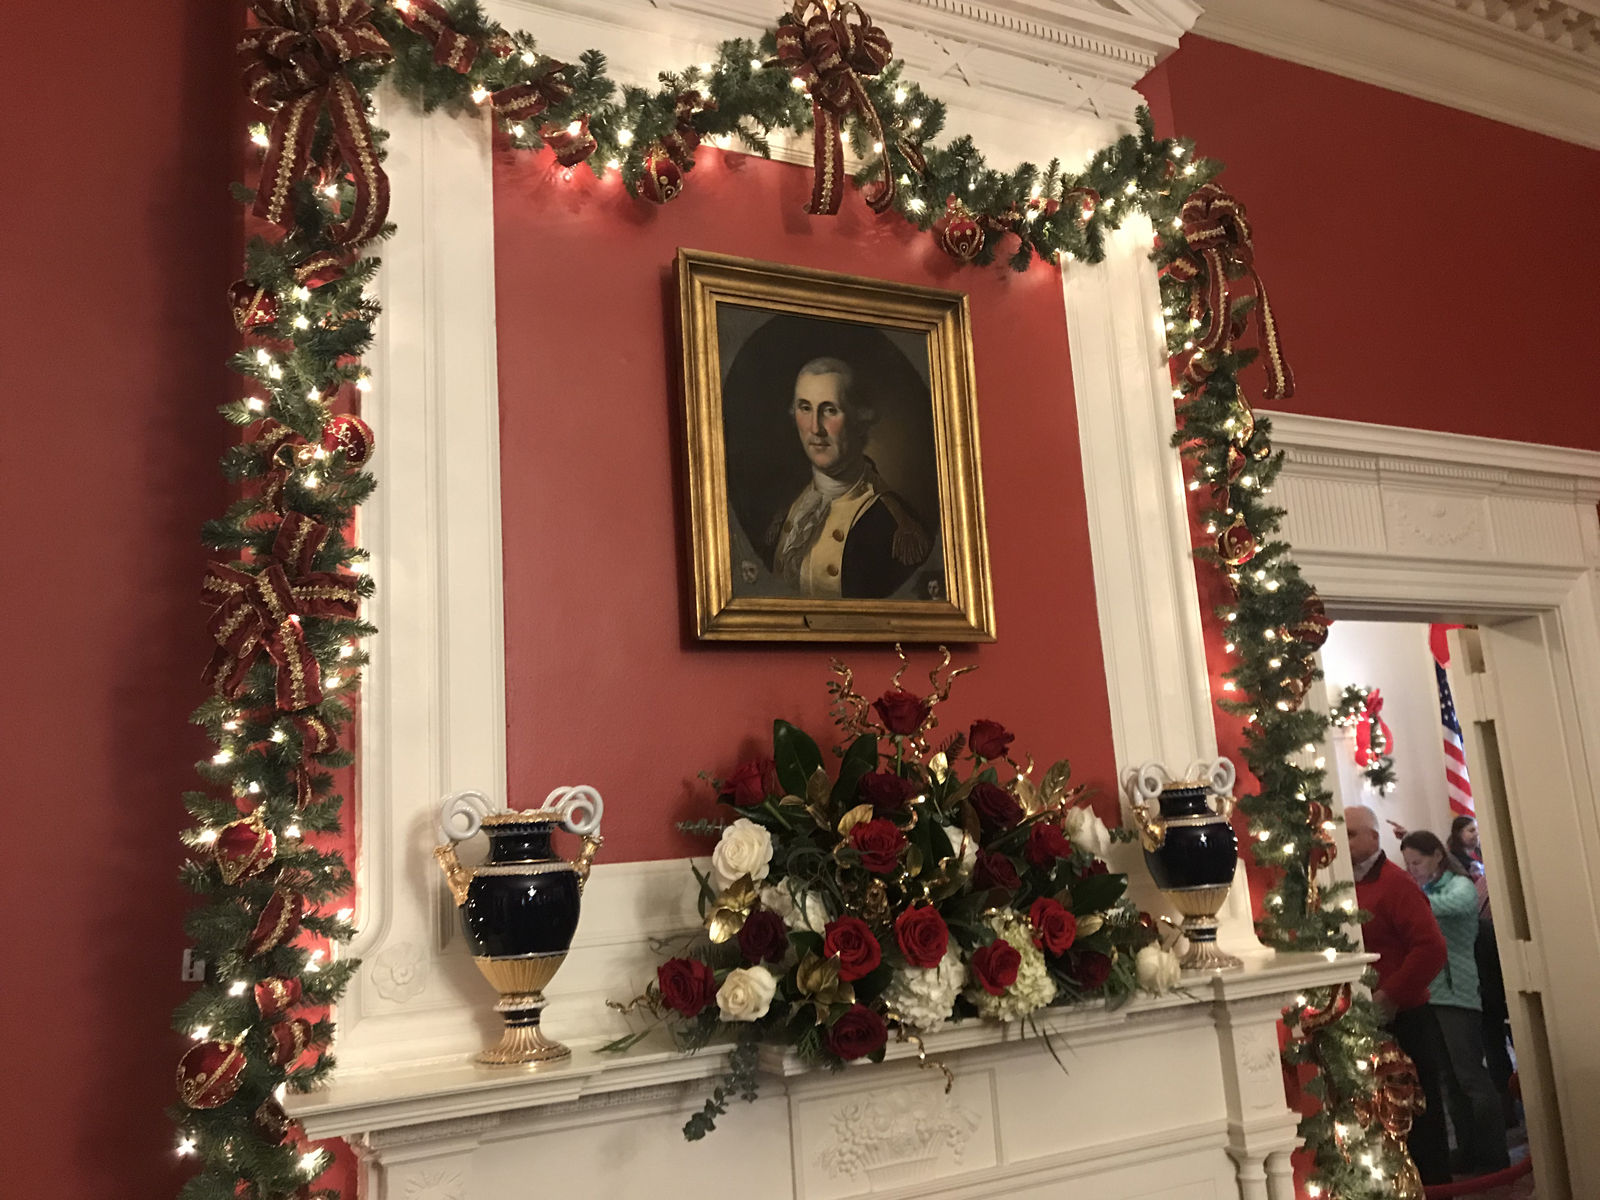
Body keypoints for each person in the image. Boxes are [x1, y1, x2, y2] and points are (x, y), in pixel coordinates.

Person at [1345, 804, 1453, 1185]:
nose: (1343, 841)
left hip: (1405, 1020)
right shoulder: (1347, 885)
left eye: (1351, 833)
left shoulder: (1395, 884)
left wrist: (1389, 996)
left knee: (1419, 1121)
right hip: (1368, 1021)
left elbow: (1431, 948)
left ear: (1374, 838)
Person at [763, 357, 932, 599]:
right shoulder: (787, 512)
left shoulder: (895, 528)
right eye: (805, 408)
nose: (815, 428)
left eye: (830, 410)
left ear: (860, 420)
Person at [1400, 830, 1511, 1176]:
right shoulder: (1427, 892)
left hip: (1457, 991)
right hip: (1432, 993)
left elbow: (1448, 908)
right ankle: (1466, 1149)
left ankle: (1494, 1153)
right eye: (1407, 864)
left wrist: (1405, 899)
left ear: (1437, 856)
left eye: (1416, 862)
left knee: (1471, 1077)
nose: (1412, 869)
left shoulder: (1459, 888)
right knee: (1449, 1081)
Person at [1448, 816, 1515, 1114]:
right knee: (1497, 1039)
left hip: (1499, 964)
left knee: (1505, 1037)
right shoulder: (1475, 884)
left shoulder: (1482, 881)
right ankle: (1510, 1101)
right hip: (1487, 966)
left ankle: (1513, 1102)